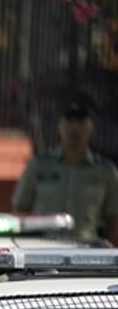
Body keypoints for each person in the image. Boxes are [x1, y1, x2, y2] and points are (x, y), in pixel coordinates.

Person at [11, 88, 118, 246]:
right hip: (42, 248)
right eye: (69, 121)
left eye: (81, 122)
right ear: (59, 126)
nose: (74, 128)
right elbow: (20, 208)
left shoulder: (105, 172)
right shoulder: (39, 166)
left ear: (91, 127)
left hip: (87, 249)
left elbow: (113, 218)